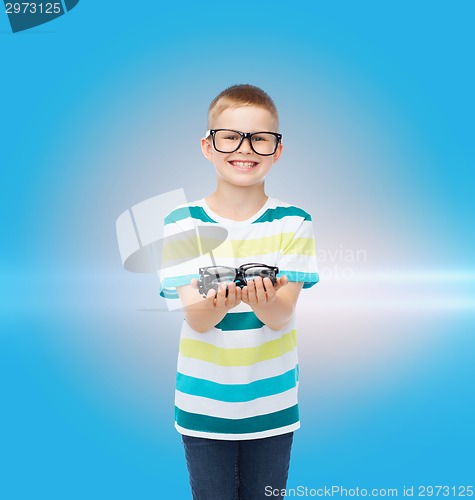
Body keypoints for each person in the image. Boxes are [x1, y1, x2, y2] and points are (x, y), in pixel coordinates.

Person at [160, 84, 319, 499]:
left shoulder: (294, 222)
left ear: (276, 149)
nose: (244, 148)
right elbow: (196, 317)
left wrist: (260, 299)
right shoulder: (182, 223)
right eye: (230, 136)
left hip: (273, 406)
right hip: (202, 408)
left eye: (260, 138)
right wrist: (223, 301)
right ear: (208, 146)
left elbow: (280, 315)